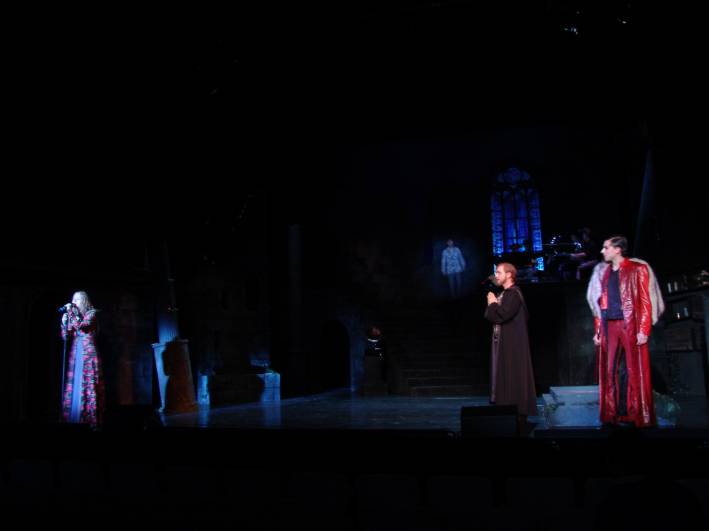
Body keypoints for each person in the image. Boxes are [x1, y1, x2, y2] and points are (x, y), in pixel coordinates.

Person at [586, 235, 664, 428]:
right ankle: (612, 414)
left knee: (634, 370)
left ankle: (636, 414)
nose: (603, 251)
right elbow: (601, 304)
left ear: (617, 249)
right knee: (609, 370)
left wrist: (643, 329)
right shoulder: (605, 273)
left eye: (606, 247)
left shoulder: (637, 269)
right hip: (609, 326)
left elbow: (645, 301)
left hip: (630, 325)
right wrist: (598, 331)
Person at [484, 263, 537, 431]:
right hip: (505, 342)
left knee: (514, 376)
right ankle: (509, 415)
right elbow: (494, 317)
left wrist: (492, 303)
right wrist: (494, 304)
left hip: (513, 344)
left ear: (509, 275)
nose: (496, 276)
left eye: (499, 272)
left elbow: (502, 314)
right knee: (506, 376)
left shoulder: (513, 293)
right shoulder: (505, 293)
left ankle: (519, 417)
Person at [60, 291, 104, 426]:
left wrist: (71, 313)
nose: (74, 303)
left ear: (84, 301)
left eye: (77, 300)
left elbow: (82, 326)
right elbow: (66, 336)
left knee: (88, 384)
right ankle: (74, 419)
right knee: (76, 384)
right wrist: (64, 323)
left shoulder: (92, 314)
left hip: (88, 355)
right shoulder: (73, 316)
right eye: (73, 300)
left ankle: (89, 420)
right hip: (76, 353)